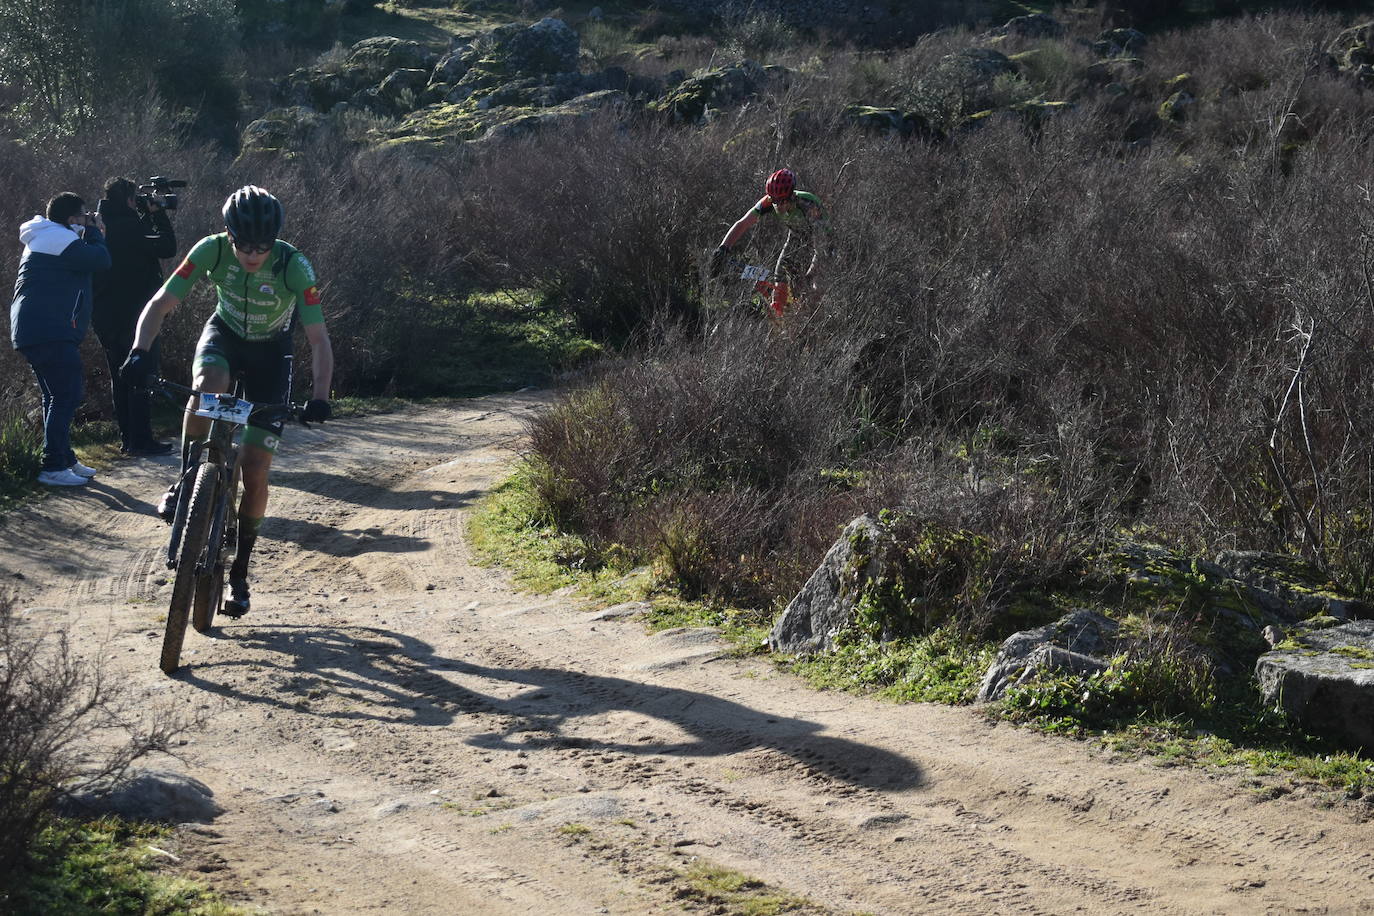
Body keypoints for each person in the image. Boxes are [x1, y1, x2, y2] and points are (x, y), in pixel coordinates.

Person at [121, 186, 333, 617]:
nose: (253, 255)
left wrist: (320, 396)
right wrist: (139, 351)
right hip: (225, 337)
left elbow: (318, 338)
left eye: (262, 247)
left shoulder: (294, 265)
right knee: (206, 387)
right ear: (229, 235)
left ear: (274, 241)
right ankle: (186, 481)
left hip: (271, 355)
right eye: (244, 245)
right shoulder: (211, 250)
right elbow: (161, 303)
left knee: (255, 469)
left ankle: (240, 571)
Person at [9, 192, 110, 486]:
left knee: (54, 396)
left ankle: (63, 458)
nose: (86, 220)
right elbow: (101, 260)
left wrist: (87, 229)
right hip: (49, 329)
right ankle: (52, 466)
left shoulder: (48, 236)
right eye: (83, 215)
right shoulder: (59, 239)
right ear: (71, 218)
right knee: (67, 395)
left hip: (37, 329)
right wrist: (95, 232)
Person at [93, 177, 177, 456]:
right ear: (129, 200)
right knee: (141, 372)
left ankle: (128, 439)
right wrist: (157, 215)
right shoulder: (131, 226)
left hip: (105, 315)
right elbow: (167, 247)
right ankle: (141, 441)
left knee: (120, 376)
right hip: (137, 314)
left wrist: (144, 215)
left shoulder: (99, 226)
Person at [708, 168, 828, 317]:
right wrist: (723, 248)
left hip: (824, 242)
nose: (779, 206)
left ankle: (813, 320)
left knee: (816, 287)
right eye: (775, 201)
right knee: (780, 277)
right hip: (797, 237)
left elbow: (821, 246)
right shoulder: (769, 201)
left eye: (783, 201)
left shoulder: (808, 204)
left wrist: (810, 274)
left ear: (792, 195)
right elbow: (743, 223)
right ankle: (780, 317)